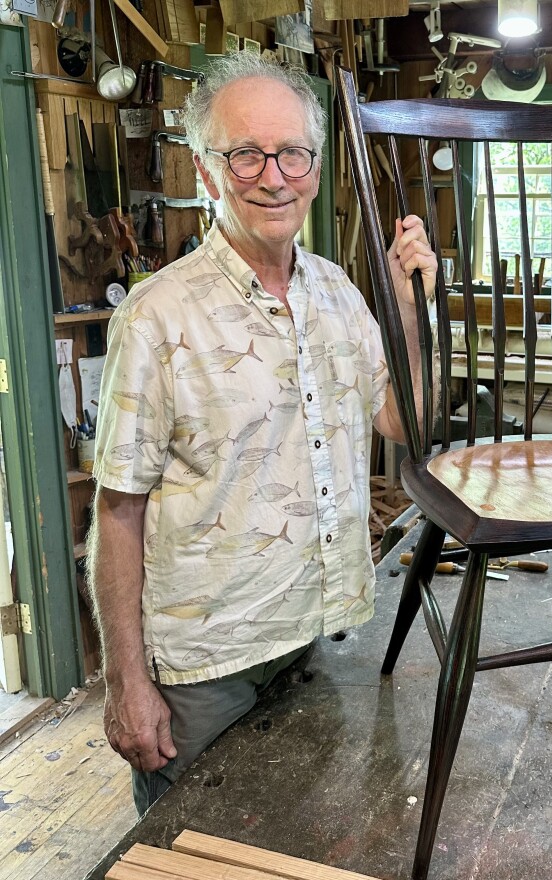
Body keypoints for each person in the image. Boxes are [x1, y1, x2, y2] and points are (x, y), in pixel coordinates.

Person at [86, 53, 436, 815]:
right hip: (206, 672)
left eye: (291, 153)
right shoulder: (155, 317)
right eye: (245, 153)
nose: (272, 176)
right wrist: (126, 683)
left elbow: (403, 423)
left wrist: (409, 312)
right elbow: (117, 512)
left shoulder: (341, 295)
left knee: (305, 839)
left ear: (314, 166)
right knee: (200, 857)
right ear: (208, 171)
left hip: (319, 640)